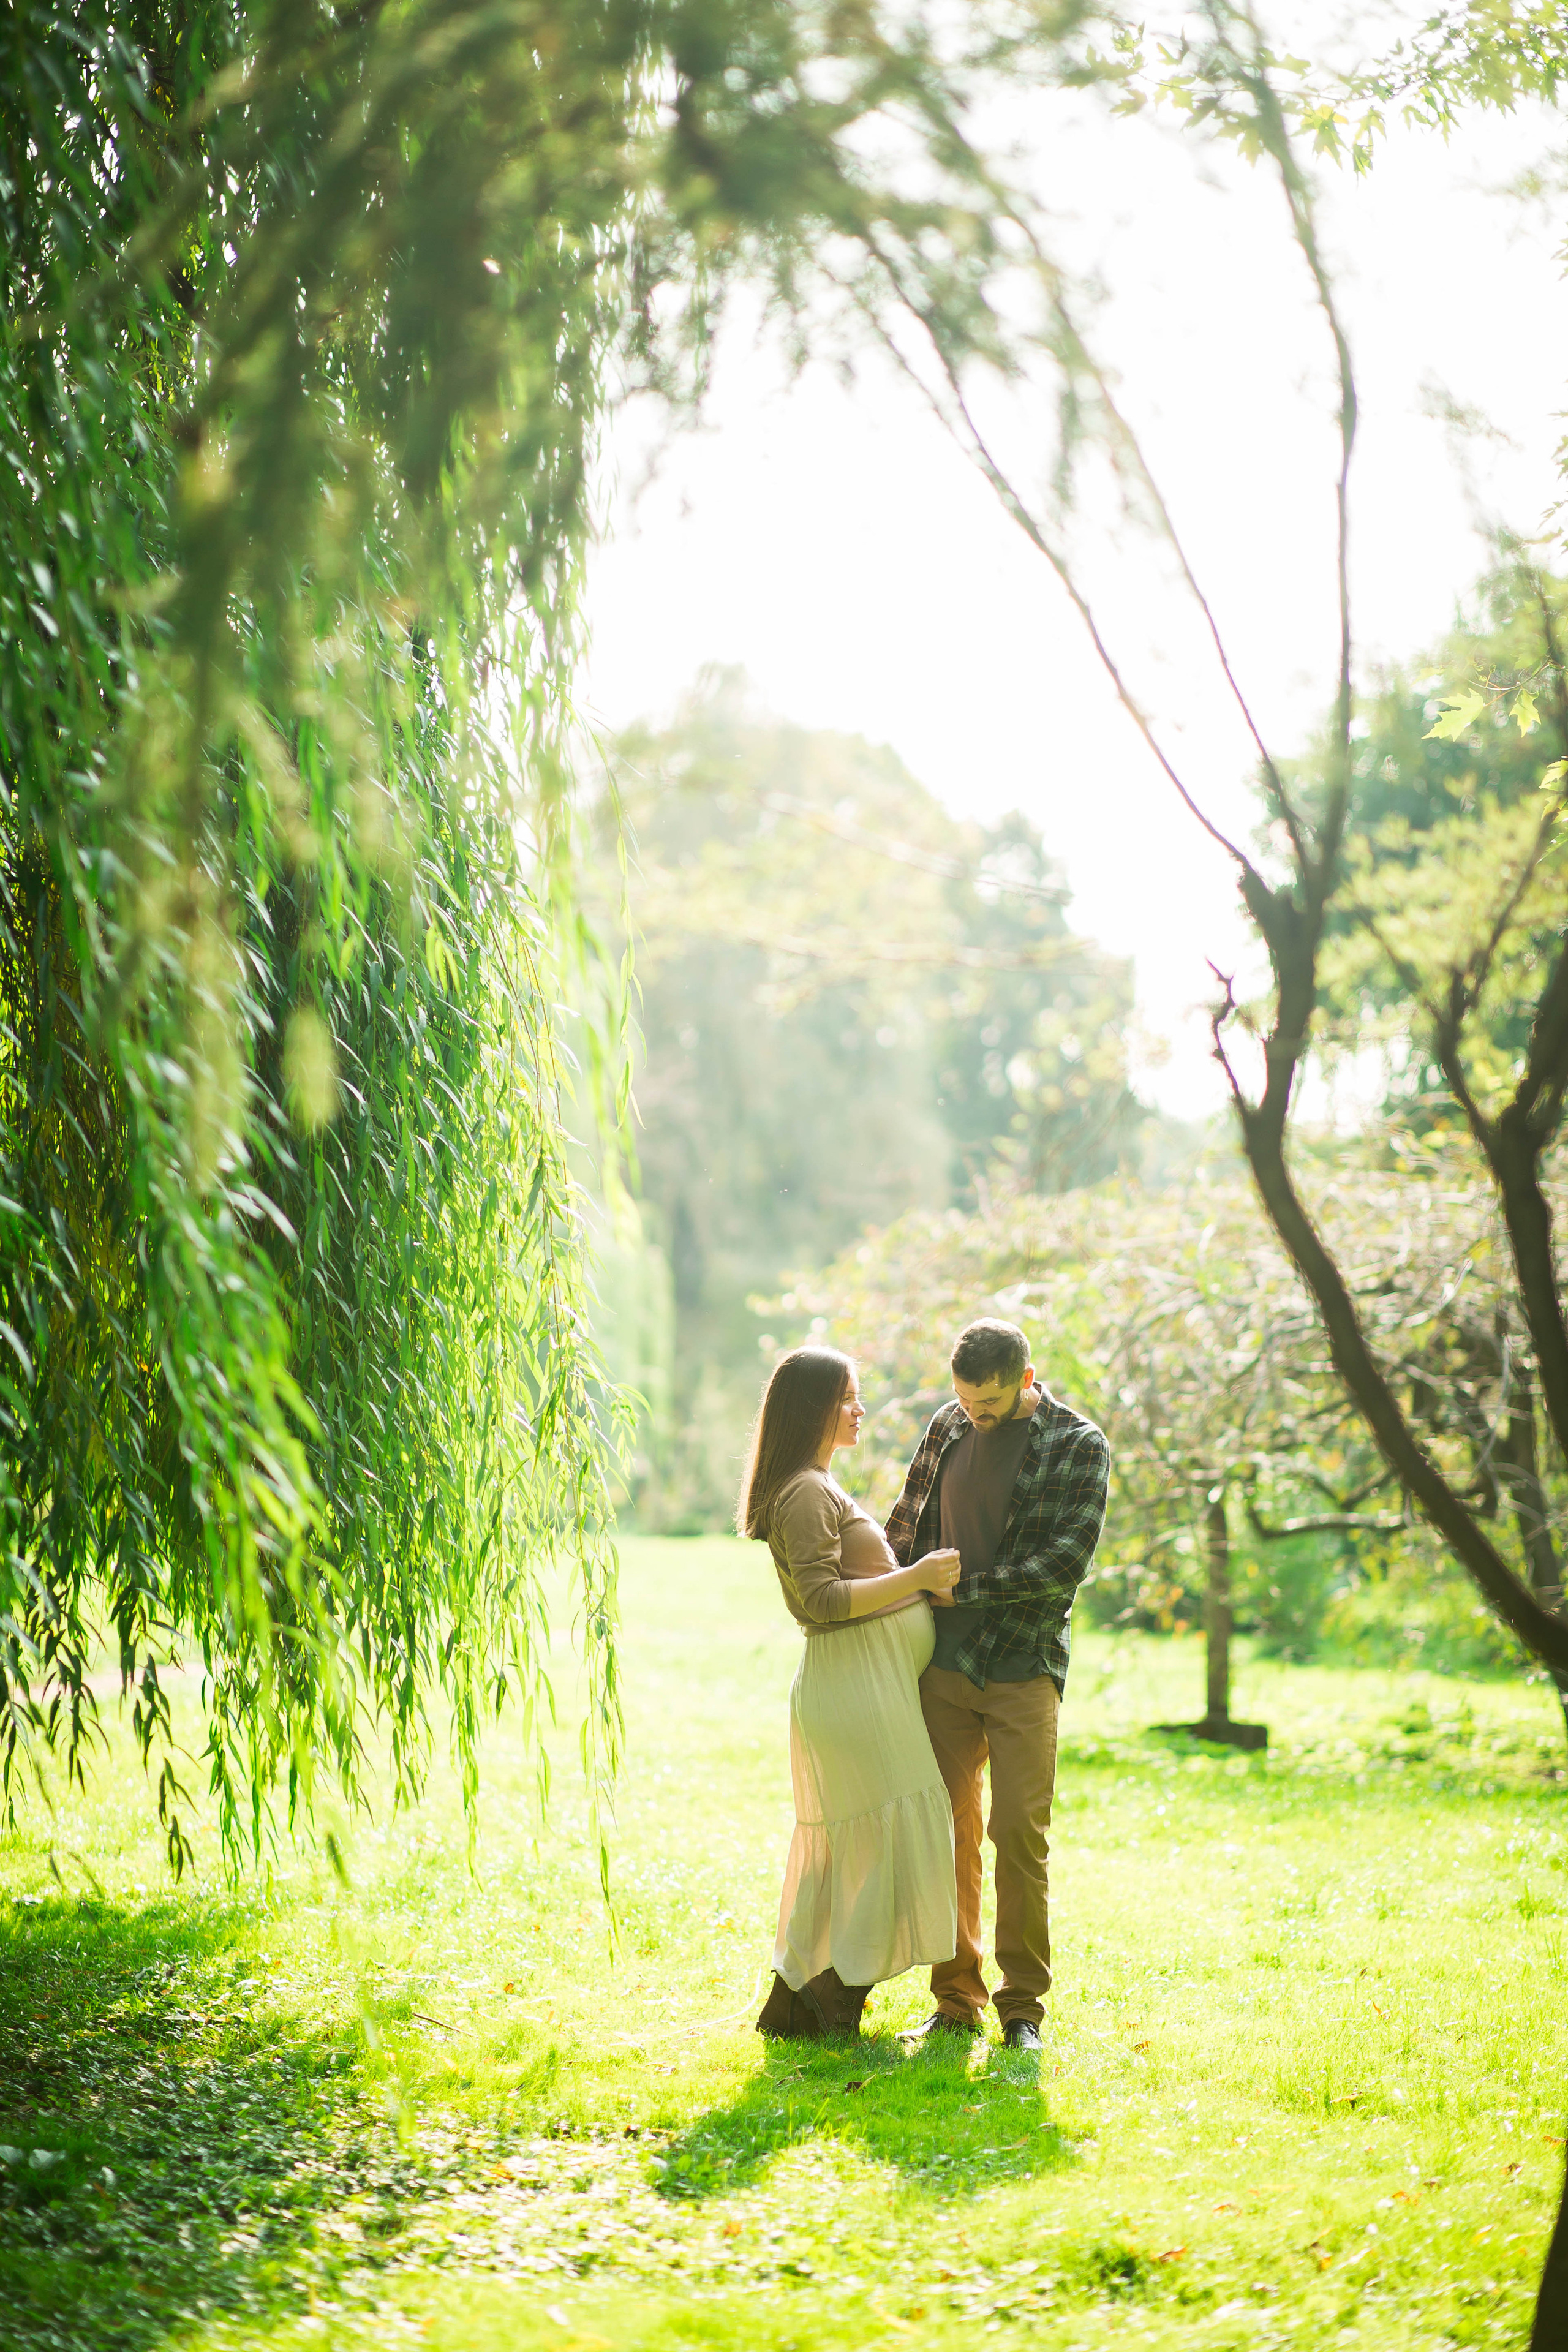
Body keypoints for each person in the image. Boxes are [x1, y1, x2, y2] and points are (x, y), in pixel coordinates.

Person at [885, 1318, 1109, 2054]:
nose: (973, 1415)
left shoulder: (1078, 1445)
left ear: (1025, 1380)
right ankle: (956, 2000)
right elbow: (902, 1529)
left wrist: (968, 1592)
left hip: (1022, 1664)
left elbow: (1063, 1564)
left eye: (988, 1402)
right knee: (946, 1834)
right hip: (941, 1664)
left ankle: (1022, 2011)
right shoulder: (947, 1426)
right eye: (964, 1400)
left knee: (1017, 1835)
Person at [740, 1345, 963, 2039]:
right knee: (889, 1839)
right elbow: (821, 1601)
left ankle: (797, 2003)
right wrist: (917, 1578)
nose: (859, 1409)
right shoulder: (806, 1490)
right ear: (813, 1408)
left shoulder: (813, 1484)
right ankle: (831, 1994)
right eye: (847, 1398)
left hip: (863, 1685)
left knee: (864, 1846)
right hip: (853, 1688)